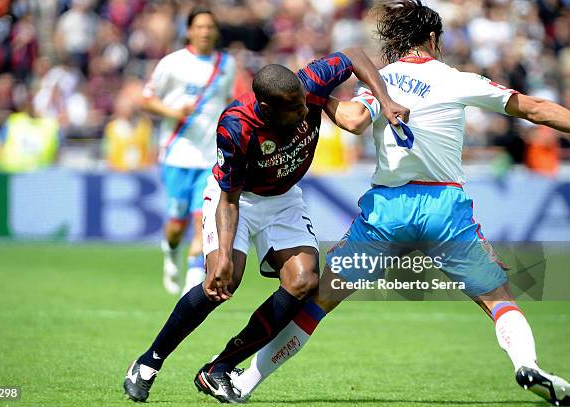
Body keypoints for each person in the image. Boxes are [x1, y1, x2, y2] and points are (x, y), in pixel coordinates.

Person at [227, 1, 570, 405]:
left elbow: (354, 121)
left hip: (386, 214)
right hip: (444, 208)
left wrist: (315, 97)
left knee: (318, 302)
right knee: (498, 299)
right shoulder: (457, 79)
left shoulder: (382, 80)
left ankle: (245, 383)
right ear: (433, 39)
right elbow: (535, 109)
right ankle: (524, 363)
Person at [123, 46, 410, 403]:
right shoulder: (235, 127)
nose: (306, 111)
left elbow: (354, 55)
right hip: (239, 199)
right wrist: (224, 254)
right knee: (222, 281)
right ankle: (149, 362)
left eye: (304, 102)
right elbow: (229, 199)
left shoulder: (310, 82)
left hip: (284, 199)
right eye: (295, 108)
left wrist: (384, 99)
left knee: (304, 281)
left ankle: (219, 368)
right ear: (268, 108)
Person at [141, 7, 236, 295]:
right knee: (175, 226)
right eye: (200, 27)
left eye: (210, 27)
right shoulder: (172, 63)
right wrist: (173, 111)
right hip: (177, 153)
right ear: (189, 31)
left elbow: (228, 101)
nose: (206, 32)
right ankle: (170, 251)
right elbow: (146, 99)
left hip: (210, 157)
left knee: (202, 221)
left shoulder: (226, 64)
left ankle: (192, 282)